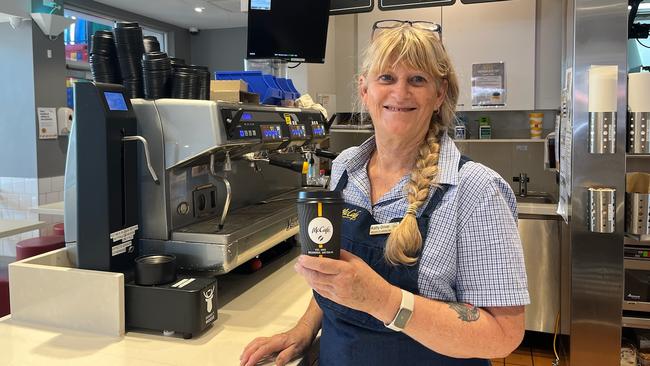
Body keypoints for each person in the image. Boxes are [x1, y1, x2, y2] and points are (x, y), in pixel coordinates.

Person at [240, 20, 529, 366]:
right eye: (386, 78)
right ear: (365, 90)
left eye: (417, 79)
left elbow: (502, 336)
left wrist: (384, 300)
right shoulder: (346, 168)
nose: (400, 92)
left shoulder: (476, 190)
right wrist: (304, 330)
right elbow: (335, 277)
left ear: (439, 94)